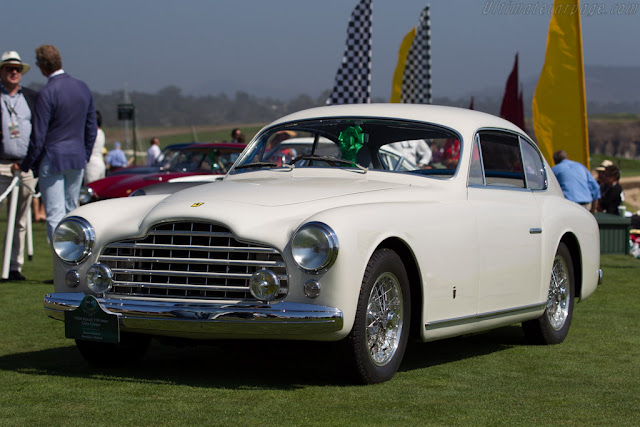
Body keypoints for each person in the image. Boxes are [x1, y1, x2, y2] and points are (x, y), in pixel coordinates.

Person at [21, 44, 97, 243]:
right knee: (73, 212)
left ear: (43, 66)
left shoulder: (47, 92)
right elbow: (91, 128)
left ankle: (59, 269)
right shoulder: (82, 88)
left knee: (55, 215)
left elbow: (38, 137)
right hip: (77, 158)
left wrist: (27, 164)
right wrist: (85, 154)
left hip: (53, 158)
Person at [0, 51, 38, 280]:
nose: (14, 72)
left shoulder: (32, 98)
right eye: (8, 68)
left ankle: (14, 267)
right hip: (1, 163)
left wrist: (29, 162)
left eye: (17, 69)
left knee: (20, 220)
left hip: (24, 167)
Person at [84, 110, 106, 184]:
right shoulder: (101, 132)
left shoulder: (92, 133)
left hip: (92, 164)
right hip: (100, 163)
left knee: (91, 188)